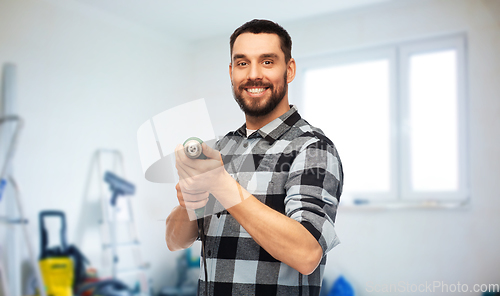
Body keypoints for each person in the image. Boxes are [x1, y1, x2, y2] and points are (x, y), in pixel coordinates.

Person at [165, 19, 343, 296]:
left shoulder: (312, 147)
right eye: (242, 63)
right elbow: (174, 241)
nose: (253, 74)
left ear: (290, 69)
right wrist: (189, 203)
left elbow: (307, 254)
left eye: (268, 62)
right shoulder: (222, 148)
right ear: (231, 72)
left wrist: (220, 183)